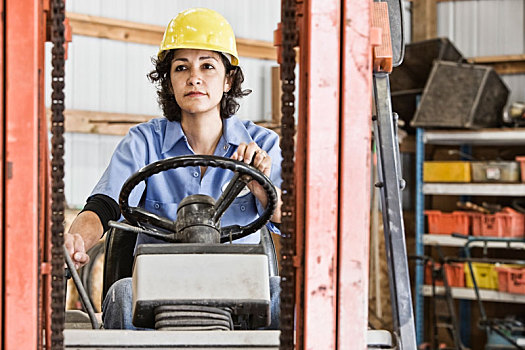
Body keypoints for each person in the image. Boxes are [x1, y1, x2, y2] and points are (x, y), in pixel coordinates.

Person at [64, 7, 282, 330]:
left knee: (282, 293)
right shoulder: (143, 143)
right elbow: (103, 206)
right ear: (170, 80)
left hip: (242, 294)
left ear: (228, 80)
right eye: (182, 67)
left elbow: (296, 223)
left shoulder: (262, 146)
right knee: (123, 295)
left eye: (207, 66)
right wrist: (76, 241)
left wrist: (264, 192)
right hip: (158, 294)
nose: (194, 77)